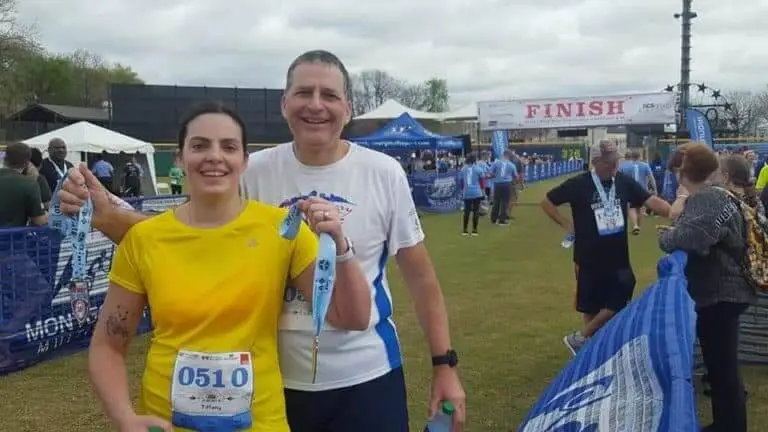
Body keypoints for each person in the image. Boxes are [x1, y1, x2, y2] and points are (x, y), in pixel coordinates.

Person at [58, 50, 466, 432]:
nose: (316, 105)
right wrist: (104, 214)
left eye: (329, 95)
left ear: (348, 109)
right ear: (285, 104)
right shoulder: (253, 171)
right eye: (303, 93)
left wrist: (444, 364)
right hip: (273, 382)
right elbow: (182, 237)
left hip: (364, 372)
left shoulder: (383, 172)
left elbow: (421, 280)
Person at [86, 102, 372, 432]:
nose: (214, 156)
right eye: (199, 145)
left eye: (229, 146)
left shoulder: (283, 229)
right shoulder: (143, 239)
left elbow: (352, 316)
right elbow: (108, 345)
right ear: (179, 159)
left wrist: (340, 246)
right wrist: (125, 417)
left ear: (244, 161)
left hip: (260, 423)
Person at [658, 146, 758, 432]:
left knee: (722, 368)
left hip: (720, 293)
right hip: (727, 291)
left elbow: (693, 238)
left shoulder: (707, 198)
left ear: (682, 171)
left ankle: (730, 425)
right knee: (722, 366)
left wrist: (666, 239)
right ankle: (728, 423)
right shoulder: (719, 195)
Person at [540, 140, 671, 355]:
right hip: (587, 255)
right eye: (609, 162)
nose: (614, 166)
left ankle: (581, 337)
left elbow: (650, 200)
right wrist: (566, 224)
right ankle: (591, 350)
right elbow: (547, 202)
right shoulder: (578, 184)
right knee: (591, 304)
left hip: (618, 255)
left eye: (616, 161)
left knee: (624, 289)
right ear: (595, 161)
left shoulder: (623, 182)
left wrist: (673, 212)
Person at [0, 143, 48, 227]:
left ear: (4, 159)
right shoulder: (30, 184)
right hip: (13, 238)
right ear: (27, 163)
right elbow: (40, 221)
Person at [619, 150, 656, 235]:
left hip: (629, 190)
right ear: (640, 157)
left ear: (631, 157)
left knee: (632, 208)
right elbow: (651, 178)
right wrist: (655, 189)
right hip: (642, 190)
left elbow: (618, 177)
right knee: (639, 209)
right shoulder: (645, 165)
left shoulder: (624, 166)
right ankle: (638, 226)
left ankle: (635, 226)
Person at [489, 150, 518, 226]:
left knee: (496, 201)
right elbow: (516, 176)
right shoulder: (511, 165)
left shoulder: (496, 163)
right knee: (505, 202)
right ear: (508, 155)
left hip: (498, 184)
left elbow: (490, 173)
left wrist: (495, 177)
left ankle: (494, 219)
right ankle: (502, 220)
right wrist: (514, 182)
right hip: (507, 184)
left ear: (503, 155)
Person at [460, 153, 485, 236]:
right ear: (475, 160)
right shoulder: (479, 169)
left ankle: (465, 229)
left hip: (467, 192)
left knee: (466, 211)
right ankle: (474, 230)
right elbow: (482, 183)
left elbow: (461, 182)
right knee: (476, 211)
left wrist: (463, 190)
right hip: (476, 192)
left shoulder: (463, 169)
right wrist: (483, 191)